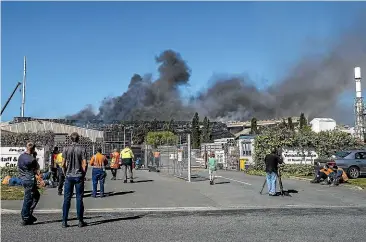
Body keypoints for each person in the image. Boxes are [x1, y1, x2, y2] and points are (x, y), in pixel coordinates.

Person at [61, 132, 87, 228]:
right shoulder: (82, 149)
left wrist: (65, 173)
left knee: (67, 198)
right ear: (78, 139)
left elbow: (63, 164)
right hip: (78, 175)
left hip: (69, 176)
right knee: (79, 198)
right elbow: (85, 164)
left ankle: (64, 221)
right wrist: (83, 174)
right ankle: (80, 221)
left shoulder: (65, 149)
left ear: (70, 139)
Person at [17, 142, 40, 225]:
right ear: (33, 149)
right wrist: (34, 156)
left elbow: (19, 167)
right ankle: (25, 216)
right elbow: (37, 169)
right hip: (29, 179)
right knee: (28, 198)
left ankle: (28, 214)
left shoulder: (21, 157)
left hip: (23, 178)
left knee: (36, 195)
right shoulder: (32, 159)